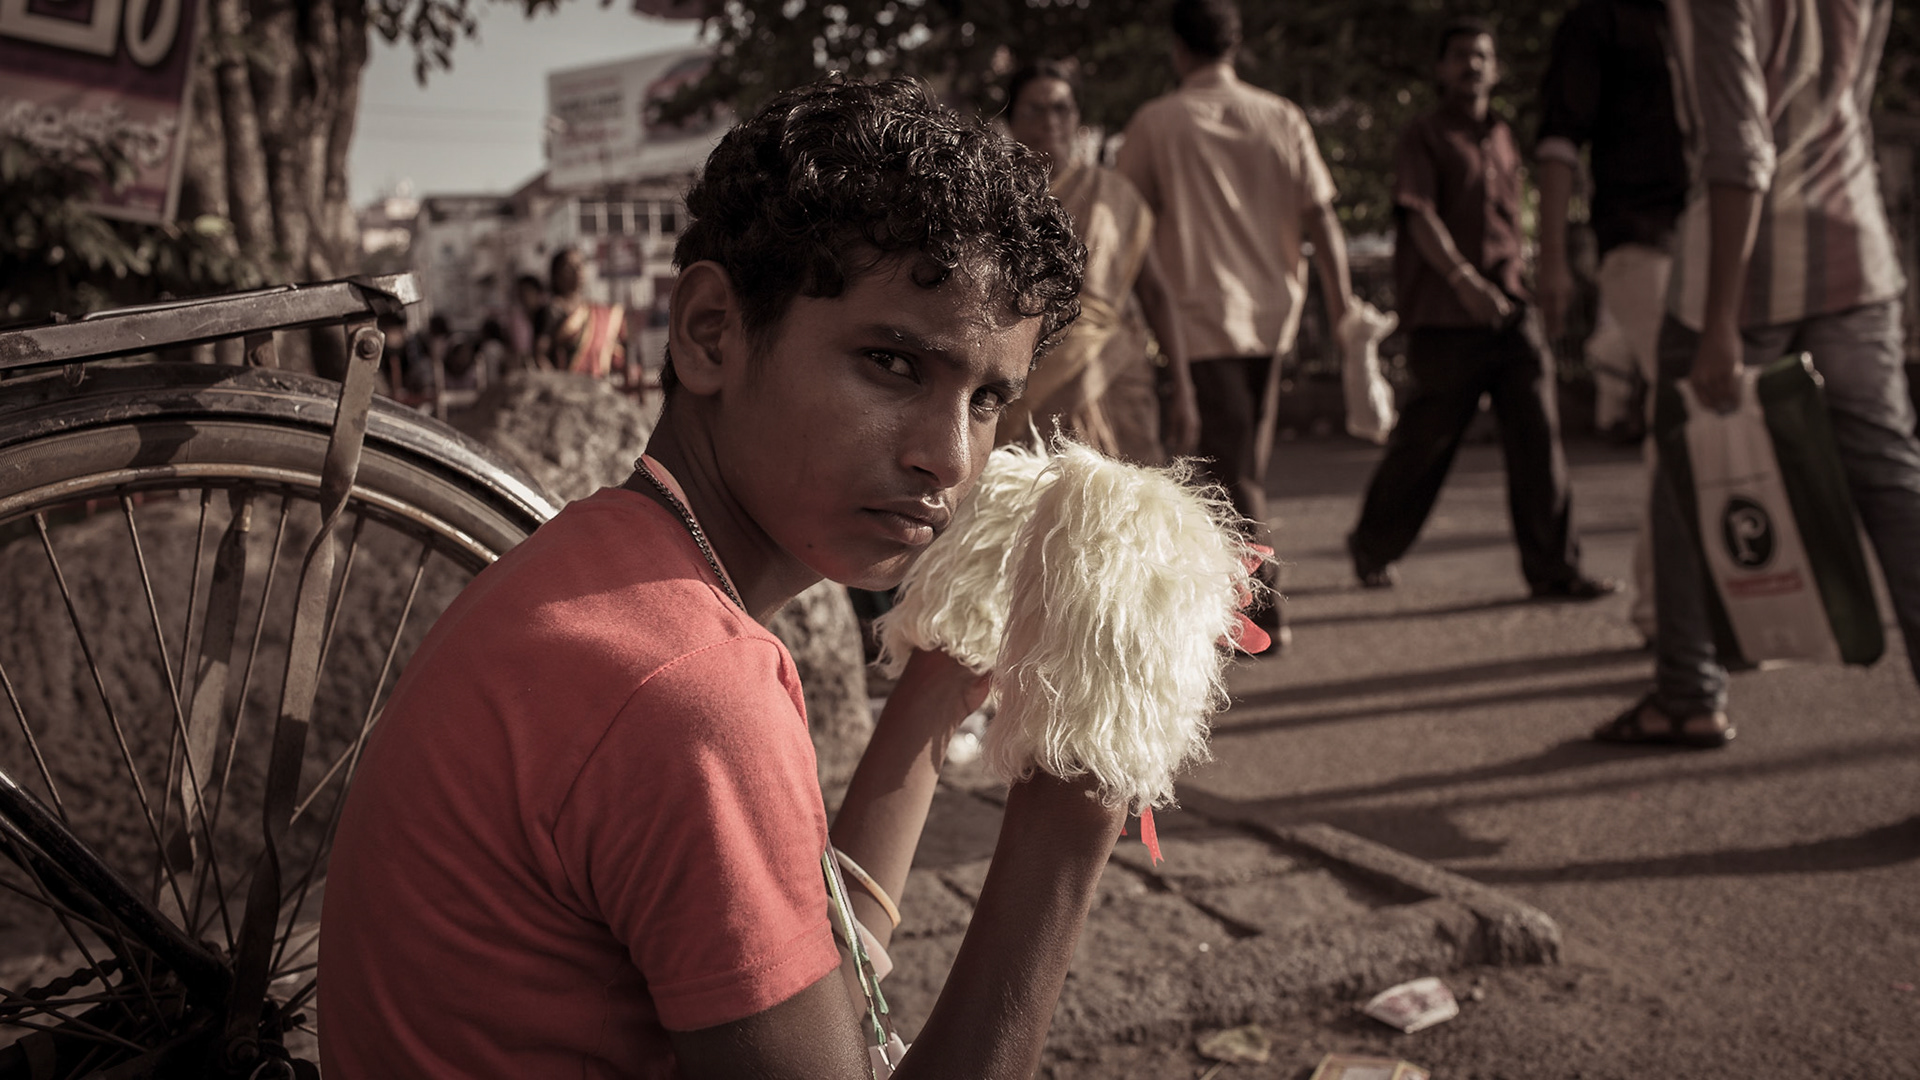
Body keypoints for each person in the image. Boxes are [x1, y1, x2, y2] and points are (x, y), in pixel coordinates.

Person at [317, 75, 1131, 1079]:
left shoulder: (608, 566)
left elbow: (812, 972)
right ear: (711, 333)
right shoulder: (694, 688)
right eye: (892, 364)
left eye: (988, 398)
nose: (950, 458)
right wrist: (1080, 797)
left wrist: (944, 674)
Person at [1594, 0, 1919, 747]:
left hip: (1742, 264)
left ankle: (1686, 690)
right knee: (1895, 486)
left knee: (1689, 474)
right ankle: (1686, 682)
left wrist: (1719, 323)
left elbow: (1741, 151)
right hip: (1856, 249)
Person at [1345, 20, 1618, 601]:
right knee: (1427, 444)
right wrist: (1463, 280)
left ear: (1496, 70)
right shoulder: (1425, 134)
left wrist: (1533, 283)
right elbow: (1418, 215)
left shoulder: (1503, 136)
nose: (1472, 66)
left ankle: (1555, 571)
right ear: (1441, 69)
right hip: (1448, 318)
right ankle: (1372, 544)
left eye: (1483, 57)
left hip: (1511, 312)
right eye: (1461, 56)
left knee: (1540, 437)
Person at [1114, 0, 1358, 651]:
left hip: (1199, 318)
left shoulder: (1156, 123)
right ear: (1236, 43)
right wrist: (1342, 310)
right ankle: (1240, 604)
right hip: (1272, 317)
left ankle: (1264, 609)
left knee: (1233, 470)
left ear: (1178, 48)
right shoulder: (1280, 116)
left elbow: (1118, 219)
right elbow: (1323, 219)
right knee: (1240, 464)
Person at [1536, 0, 1690, 640]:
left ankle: (1675, 606)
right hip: (1639, 238)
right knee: (1687, 408)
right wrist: (1551, 262)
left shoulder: (1704, 19)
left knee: (1686, 418)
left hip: (1707, 238)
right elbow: (1559, 141)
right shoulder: (1599, 22)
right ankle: (1673, 615)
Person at [998, 60, 1198, 465]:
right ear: (1012, 120)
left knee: (1128, 506)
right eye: (1034, 110)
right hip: (1019, 372)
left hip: (1113, 370)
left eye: (1061, 108)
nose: (1049, 121)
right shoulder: (993, 198)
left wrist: (1184, 388)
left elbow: (1156, 295)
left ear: (1077, 118)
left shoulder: (1114, 196)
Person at [542, 246, 631, 383]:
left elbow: (619, 350)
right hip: (567, 388)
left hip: (597, 386)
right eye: (569, 266)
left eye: (580, 264)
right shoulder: (553, 310)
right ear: (556, 274)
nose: (577, 270)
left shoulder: (596, 310)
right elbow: (541, 355)